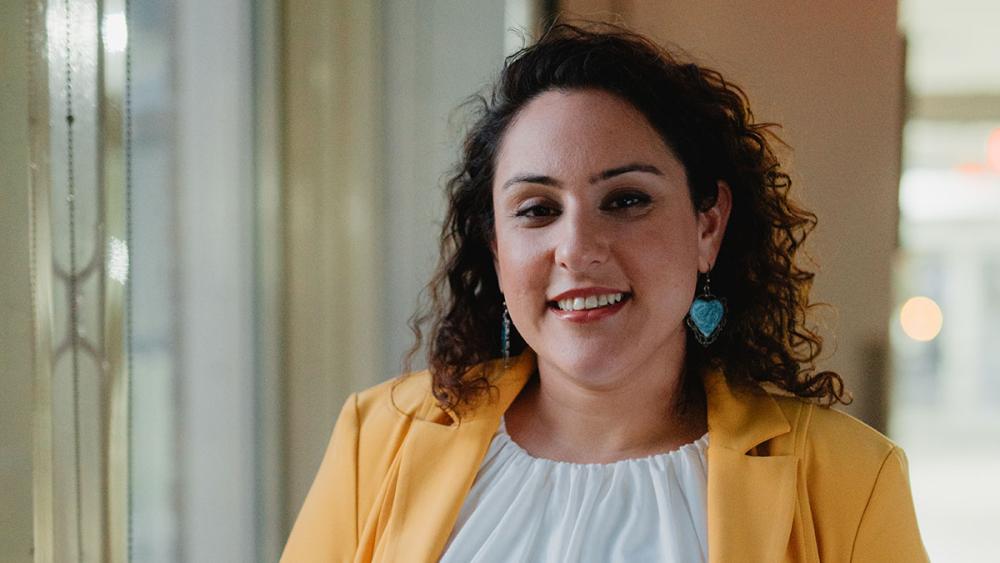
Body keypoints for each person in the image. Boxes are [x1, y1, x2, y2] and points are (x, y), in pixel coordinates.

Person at [281, 23, 927, 562]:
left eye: (625, 200)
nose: (578, 247)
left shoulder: (853, 480)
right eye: (536, 209)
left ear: (708, 225)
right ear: (496, 246)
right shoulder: (377, 437)